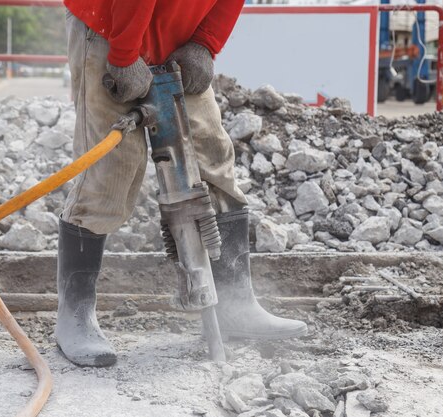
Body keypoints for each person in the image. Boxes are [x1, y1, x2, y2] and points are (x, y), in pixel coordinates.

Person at [57, 0, 308, 367]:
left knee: (209, 153)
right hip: (110, 25)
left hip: (179, 30)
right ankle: (74, 318)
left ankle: (235, 302)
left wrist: (204, 43)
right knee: (111, 170)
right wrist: (125, 55)